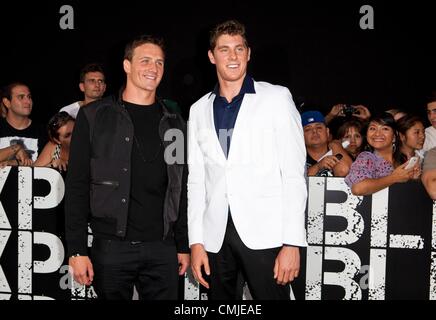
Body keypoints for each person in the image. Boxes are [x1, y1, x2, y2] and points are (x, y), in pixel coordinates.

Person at [188, 20, 307, 300]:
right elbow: (196, 181)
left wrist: (292, 243)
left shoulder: (277, 98)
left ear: (248, 53)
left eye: (239, 49)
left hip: (266, 235)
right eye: (225, 49)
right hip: (215, 237)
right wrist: (196, 241)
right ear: (211, 56)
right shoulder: (198, 109)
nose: (233, 56)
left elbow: (293, 174)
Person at [65, 35, 189, 300]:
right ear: (127, 65)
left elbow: (180, 186)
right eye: (145, 60)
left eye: (159, 62)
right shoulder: (94, 116)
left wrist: (183, 244)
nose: (153, 68)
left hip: (162, 248)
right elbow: (76, 186)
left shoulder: (174, 122)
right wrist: (76, 250)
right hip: (111, 248)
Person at [345, 113, 418, 196]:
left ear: (394, 137)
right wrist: (394, 177)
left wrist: (414, 179)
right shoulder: (366, 158)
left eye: (385, 129)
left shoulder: (402, 160)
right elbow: (358, 188)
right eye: (372, 128)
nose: (377, 134)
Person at [0, 82, 47, 162]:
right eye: (21, 97)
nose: (28, 101)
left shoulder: (43, 132)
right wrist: (16, 148)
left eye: (29, 97)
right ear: (7, 102)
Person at [301, 110, 352, 177]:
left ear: (327, 132)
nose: (314, 131)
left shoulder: (339, 151)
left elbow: (343, 170)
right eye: (308, 129)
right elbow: (296, 180)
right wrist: (318, 166)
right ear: (301, 135)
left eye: (319, 127)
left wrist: (336, 145)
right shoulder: (298, 157)